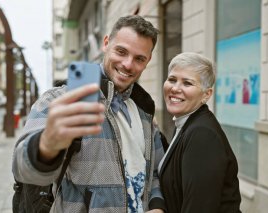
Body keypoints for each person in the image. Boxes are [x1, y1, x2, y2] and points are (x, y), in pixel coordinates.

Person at [12, 15, 166, 213]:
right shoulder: (60, 100)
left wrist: (157, 205)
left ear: (148, 61)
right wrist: (46, 145)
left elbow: (153, 173)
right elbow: (21, 168)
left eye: (139, 59)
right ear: (106, 43)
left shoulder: (144, 111)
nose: (128, 64)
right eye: (121, 51)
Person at [158, 52, 242, 213]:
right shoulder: (186, 122)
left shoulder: (202, 134)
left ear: (206, 94)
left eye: (187, 83)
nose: (175, 88)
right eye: (172, 79)